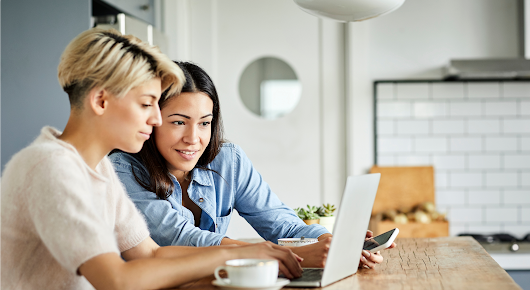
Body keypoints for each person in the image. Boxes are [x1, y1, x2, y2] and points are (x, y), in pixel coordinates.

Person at [0, 28, 303, 290]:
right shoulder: (51, 167)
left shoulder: (97, 169)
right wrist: (235, 254)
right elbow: (117, 281)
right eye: (147, 104)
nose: (157, 118)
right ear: (101, 100)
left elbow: (151, 254)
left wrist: (251, 255)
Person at [110, 61, 394, 269]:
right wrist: (281, 255)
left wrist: (334, 243)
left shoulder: (227, 159)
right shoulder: (123, 169)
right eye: (178, 122)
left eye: (205, 123)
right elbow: (180, 239)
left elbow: (281, 223)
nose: (193, 139)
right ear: (153, 120)